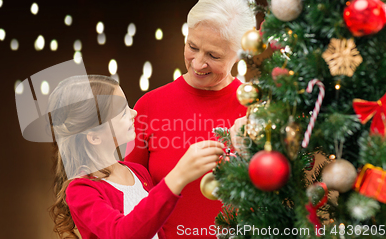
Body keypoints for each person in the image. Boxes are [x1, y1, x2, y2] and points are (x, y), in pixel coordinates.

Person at [124, 0, 255, 238]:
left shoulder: (255, 111)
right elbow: (129, 197)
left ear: (240, 54)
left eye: (213, 55)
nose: (197, 63)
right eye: (192, 47)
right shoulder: (148, 107)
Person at [49, 75, 224, 239]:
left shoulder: (138, 172)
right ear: (95, 136)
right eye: (122, 112)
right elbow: (122, 233)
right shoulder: (81, 190)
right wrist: (179, 175)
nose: (134, 113)